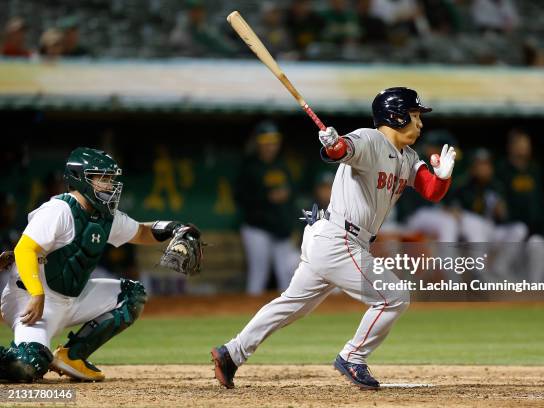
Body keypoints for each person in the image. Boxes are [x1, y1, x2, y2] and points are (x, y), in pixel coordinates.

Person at [211, 87, 456, 390]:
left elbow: (431, 191)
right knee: (394, 296)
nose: (420, 123)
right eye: (415, 116)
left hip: (333, 239)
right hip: (340, 239)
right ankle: (353, 356)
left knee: (291, 305)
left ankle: (231, 353)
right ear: (396, 116)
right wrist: (333, 144)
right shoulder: (369, 139)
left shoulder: (409, 157)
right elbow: (341, 151)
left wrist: (443, 177)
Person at [0, 147, 201, 382]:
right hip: (30, 300)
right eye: (102, 178)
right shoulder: (59, 210)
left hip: (72, 298)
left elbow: (141, 232)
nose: (110, 185)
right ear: (80, 178)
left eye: (111, 178)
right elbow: (25, 249)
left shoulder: (105, 216)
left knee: (131, 295)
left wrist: (174, 228)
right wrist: (36, 294)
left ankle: (72, 356)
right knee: (28, 365)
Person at [235, 121, 299, 295]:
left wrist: (290, 225)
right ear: (258, 142)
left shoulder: (282, 166)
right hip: (257, 228)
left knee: (286, 276)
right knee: (258, 274)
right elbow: (240, 198)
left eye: (273, 141)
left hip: (281, 229)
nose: (270, 146)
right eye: (266, 141)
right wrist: (267, 197)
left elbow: (292, 198)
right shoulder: (249, 167)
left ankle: (286, 316)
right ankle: (250, 315)